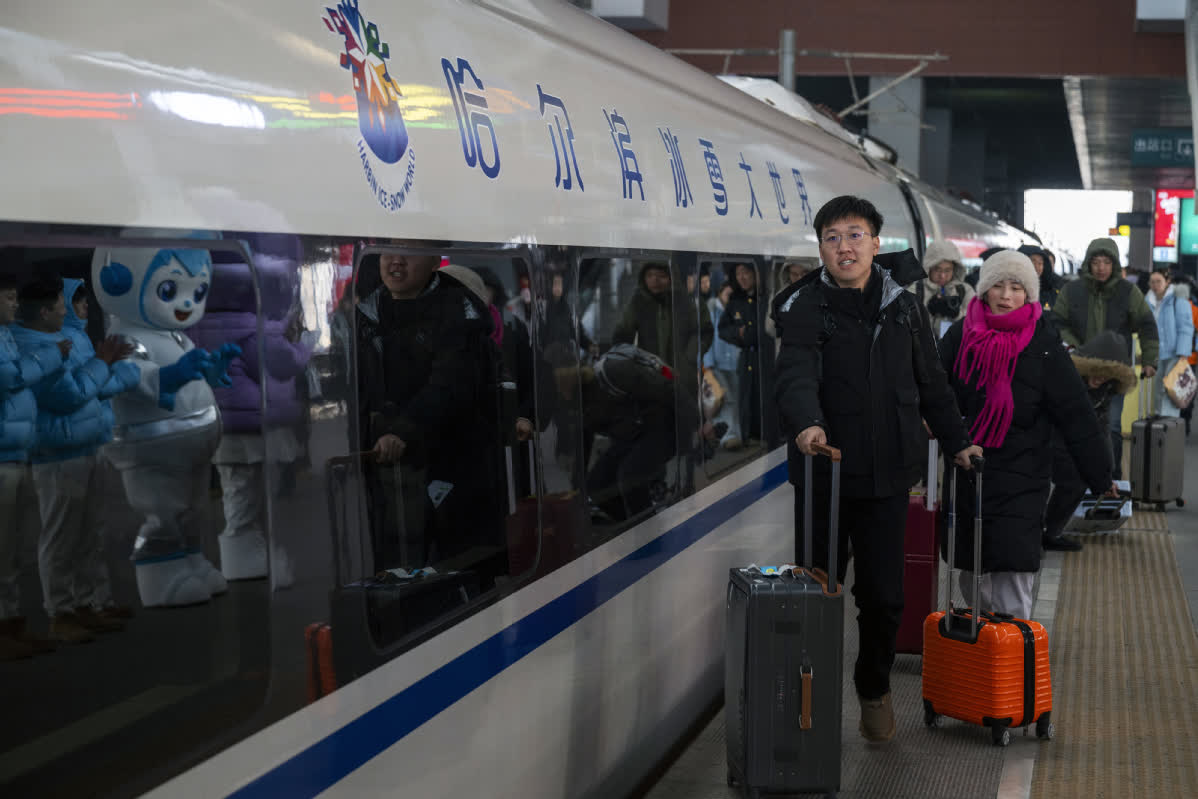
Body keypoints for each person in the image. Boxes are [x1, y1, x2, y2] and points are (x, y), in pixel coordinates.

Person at [772, 195, 982, 743]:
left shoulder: (903, 308)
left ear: (875, 242)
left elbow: (931, 381)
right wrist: (808, 424)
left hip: (888, 476)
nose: (844, 245)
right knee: (814, 592)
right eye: (833, 237)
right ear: (821, 248)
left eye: (855, 234)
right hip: (826, 473)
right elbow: (794, 373)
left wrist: (957, 441)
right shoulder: (804, 307)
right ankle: (806, 699)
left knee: (885, 597)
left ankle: (873, 687)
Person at [939, 251, 1115, 617]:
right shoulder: (961, 336)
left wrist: (1100, 475)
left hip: (1023, 478)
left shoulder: (1044, 344)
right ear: (983, 290)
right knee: (972, 581)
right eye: (997, 286)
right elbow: (935, 395)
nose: (1006, 296)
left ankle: (1013, 664)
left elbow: (1076, 414)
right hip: (969, 475)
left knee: (1013, 582)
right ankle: (981, 661)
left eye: (1016, 287)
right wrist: (950, 438)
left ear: (1029, 294)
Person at [356, 245, 507, 582]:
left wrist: (403, 430)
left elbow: (450, 386)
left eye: (408, 251)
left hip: (452, 464)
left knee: (456, 571)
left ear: (435, 260)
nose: (395, 260)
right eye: (386, 251)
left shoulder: (458, 314)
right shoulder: (367, 314)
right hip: (386, 469)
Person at [12, 276, 141, 641]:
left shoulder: (58, 343)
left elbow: (88, 387)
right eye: (63, 306)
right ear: (45, 310)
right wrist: (102, 364)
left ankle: (87, 604)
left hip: (83, 446)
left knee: (88, 534)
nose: (69, 312)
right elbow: (72, 395)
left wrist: (97, 370)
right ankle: (61, 611)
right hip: (57, 455)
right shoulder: (34, 347)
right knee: (60, 537)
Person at [190, 240, 312, 585]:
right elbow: (281, 363)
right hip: (249, 424)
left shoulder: (199, 323)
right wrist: (306, 346)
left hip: (222, 423)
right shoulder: (250, 326)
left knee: (236, 491)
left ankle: (242, 549)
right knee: (248, 497)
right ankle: (243, 554)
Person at [0, 270, 68, 660]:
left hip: (16, 454)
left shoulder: (7, 335)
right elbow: (11, 377)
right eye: (8, 297)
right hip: (4, 458)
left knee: (12, 550)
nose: (15, 304)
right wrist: (48, 356)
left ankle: (11, 624)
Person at [1052, 238, 1159, 478]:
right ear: (1089, 264)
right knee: (1077, 427)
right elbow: (1058, 324)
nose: (1101, 267)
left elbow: (1147, 324)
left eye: (1107, 262)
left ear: (1115, 264)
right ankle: (1078, 481)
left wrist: (1151, 360)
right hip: (1078, 371)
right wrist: (1079, 352)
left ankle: (1111, 480)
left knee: (1110, 427)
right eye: (1096, 262)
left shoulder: (1128, 292)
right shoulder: (1072, 291)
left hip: (1114, 373)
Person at [1042, 330, 1137, 550]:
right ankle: (1047, 532)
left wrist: (1106, 472)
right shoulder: (1067, 376)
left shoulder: (1106, 390)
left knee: (1077, 480)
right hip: (1051, 433)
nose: (1099, 378)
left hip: (1073, 438)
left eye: (1106, 375)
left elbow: (1100, 428)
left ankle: (1050, 531)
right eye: (1095, 371)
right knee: (1072, 478)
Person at [718, 263, 770, 442]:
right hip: (746, 357)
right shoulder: (735, 301)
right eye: (738, 273)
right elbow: (722, 329)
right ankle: (749, 436)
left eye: (746, 272)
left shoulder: (767, 298)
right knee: (746, 399)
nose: (742, 277)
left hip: (766, 357)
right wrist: (737, 334)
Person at [1145, 268, 1194, 417]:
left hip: (1174, 353)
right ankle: (1161, 423)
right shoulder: (1149, 301)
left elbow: (1186, 326)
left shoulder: (1177, 299)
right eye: (1152, 282)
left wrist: (1183, 352)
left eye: (1159, 281)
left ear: (1167, 282)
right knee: (1158, 389)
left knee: (1171, 389)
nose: (1155, 285)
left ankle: (1169, 424)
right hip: (1157, 353)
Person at [703, 281, 742, 450]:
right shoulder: (711, 310)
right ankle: (729, 436)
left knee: (733, 400)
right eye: (727, 295)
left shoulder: (735, 310)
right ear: (720, 293)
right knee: (727, 400)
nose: (730, 299)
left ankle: (728, 434)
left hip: (734, 363)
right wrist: (708, 364)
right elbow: (705, 338)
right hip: (717, 363)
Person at [912, 239, 974, 338]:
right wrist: (929, 312)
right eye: (937, 269)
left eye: (948, 270)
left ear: (955, 269)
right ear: (929, 268)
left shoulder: (964, 290)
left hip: (954, 351)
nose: (942, 276)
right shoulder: (916, 290)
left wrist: (956, 314)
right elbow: (905, 325)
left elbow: (975, 322)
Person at [1017, 244, 1061, 312]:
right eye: (1032, 261)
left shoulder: (1049, 294)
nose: (1036, 266)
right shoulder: (1009, 290)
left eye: (1040, 263)